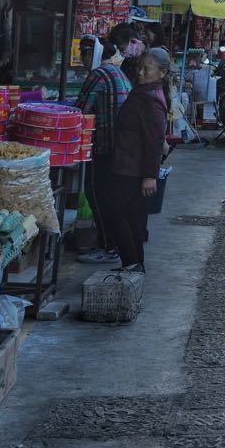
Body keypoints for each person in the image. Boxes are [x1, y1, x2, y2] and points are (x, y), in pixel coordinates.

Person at [105, 47, 171, 271]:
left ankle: (132, 262)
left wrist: (150, 176)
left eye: (147, 69)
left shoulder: (151, 100)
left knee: (116, 212)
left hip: (132, 167)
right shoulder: (144, 91)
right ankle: (134, 264)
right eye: (140, 67)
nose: (141, 73)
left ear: (162, 73)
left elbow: (154, 141)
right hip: (128, 162)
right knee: (131, 215)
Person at [76, 31, 132, 265]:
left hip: (104, 147)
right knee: (109, 197)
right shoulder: (117, 72)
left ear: (91, 54)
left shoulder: (98, 74)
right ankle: (111, 244)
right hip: (120, 148)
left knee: (96, 193)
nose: (82, 59)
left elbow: (80, 111)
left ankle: (108, 246)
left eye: (83, 54)